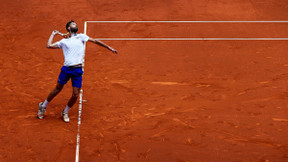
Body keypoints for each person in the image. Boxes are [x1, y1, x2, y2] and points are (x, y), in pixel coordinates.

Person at [37, 20, 117, 122]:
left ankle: (65, 112)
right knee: (58, 88)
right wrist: (53, 34)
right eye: (73, 24)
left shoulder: (81, 36)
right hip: (66, 69)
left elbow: (95, 41)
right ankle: (43, 106)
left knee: (75, 94)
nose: (75, 24)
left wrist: (108, 47)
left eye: (75, 24)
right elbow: (49, 45)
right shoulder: (63, 42)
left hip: (77, 70)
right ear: (69, 28)